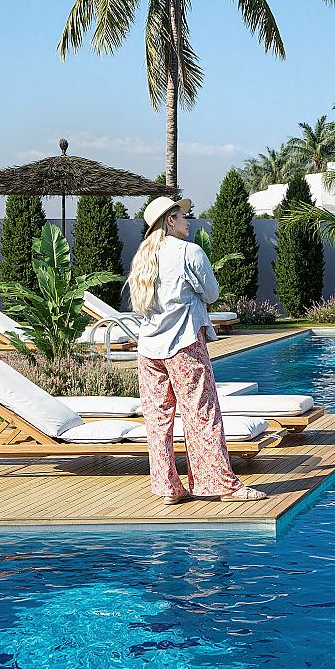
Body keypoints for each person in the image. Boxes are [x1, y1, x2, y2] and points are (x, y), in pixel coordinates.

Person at [126, 195, 266, 507]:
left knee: (157, 419)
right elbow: (212, 293)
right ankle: (223, 485)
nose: (187, 221)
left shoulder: (143, 257)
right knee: (202, 413)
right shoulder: (190, 252)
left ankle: (168, 488)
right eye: (182, 216)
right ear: (170, 220)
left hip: (148, 350)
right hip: (183, 345)